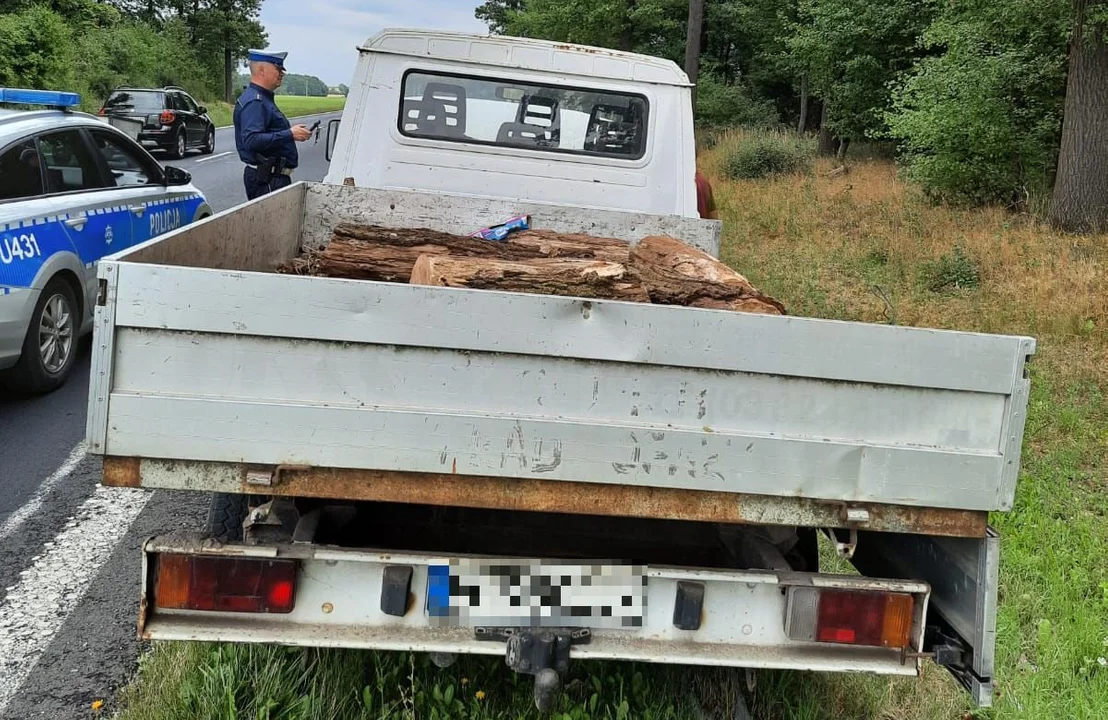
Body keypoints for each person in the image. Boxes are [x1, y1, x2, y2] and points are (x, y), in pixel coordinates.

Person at [233, 49, 313, 200]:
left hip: (272, 178)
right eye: (278, 68)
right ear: (261, 70)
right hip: (267, 179)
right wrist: (290, 134)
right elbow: (252, 140)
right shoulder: (255, 102)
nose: (282, 73)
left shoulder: (262, 99)